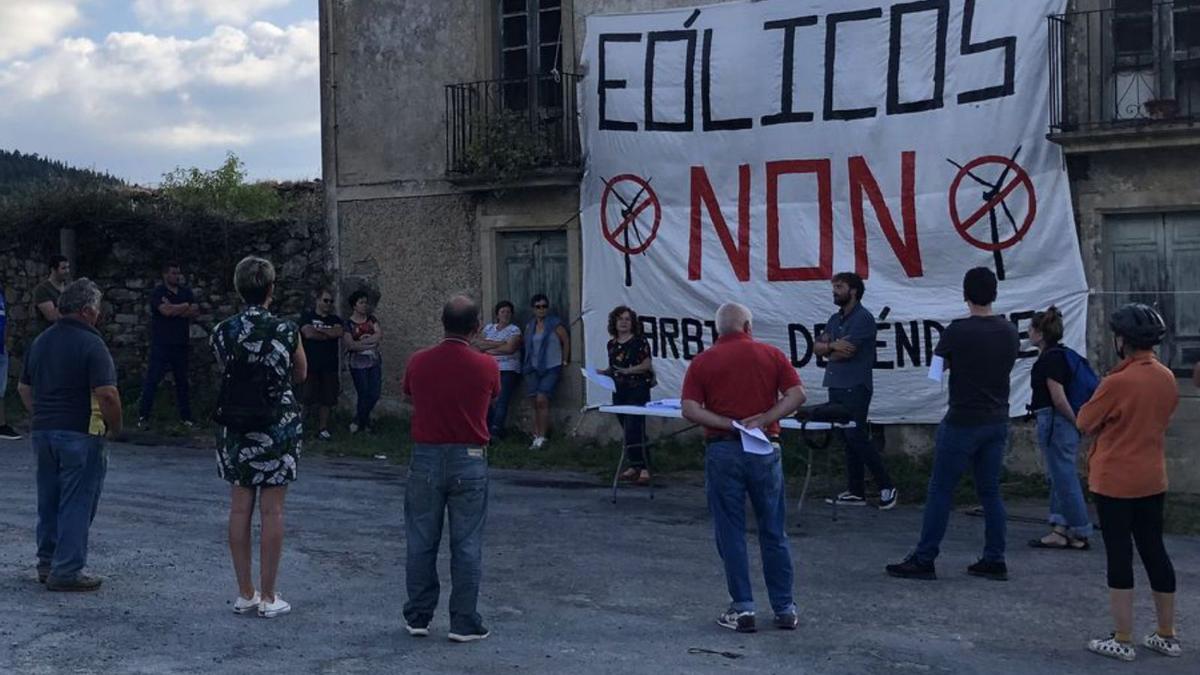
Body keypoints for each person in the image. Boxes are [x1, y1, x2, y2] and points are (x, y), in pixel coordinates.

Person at [886, 267, 1018, 582]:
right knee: (990, 491)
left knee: (941, 490)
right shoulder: (1010, 331)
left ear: (965, 294)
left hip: (962, 419)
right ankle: (994, 558)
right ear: (994, 294)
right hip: (997, 418)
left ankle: (924, 557)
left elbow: (935, 372)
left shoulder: (957, 331)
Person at [681, 302, 806, 633]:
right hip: (765, 446)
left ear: (718, 330)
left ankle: (743, 607)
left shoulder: (703, 361)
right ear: (748, 327)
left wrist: (727, 423)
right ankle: (785, 607)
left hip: (723, 448)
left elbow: (690, 409)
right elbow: (796, 395)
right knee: (773, 529)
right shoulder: (772, 354)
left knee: (731, 530)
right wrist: (764, 419)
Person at [1078, 304, 1181, 661]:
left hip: (1115, 480)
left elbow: (1085, 421)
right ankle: (1166, 633)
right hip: (1152, 477)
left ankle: (1122, 638)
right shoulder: (1166, 376)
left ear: (1123, 341)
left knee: (1119, 554)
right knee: (1154, 550)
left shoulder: (1117, 381)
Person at [211, 256, 307, 619]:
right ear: (270, 288)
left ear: (239, 288)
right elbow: (300, 372)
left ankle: (244, 592)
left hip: (235, 423)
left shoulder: (223, 330)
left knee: (239, 507)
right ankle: (269, 595)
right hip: (276, 423)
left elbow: (228, 369)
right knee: (273, 509)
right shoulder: (286, 330)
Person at [402, 294, 499, 643]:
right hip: (469, 457)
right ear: (475, 328)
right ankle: (463, 620)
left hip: (426, 455)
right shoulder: (486, 365)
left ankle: (418, 615)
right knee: (467, 543)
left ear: (442, 323)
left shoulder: (418, 361)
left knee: (421, 539)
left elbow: (409, 393)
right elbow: (493, 396)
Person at [18, 278, 122, 591]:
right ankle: (67, 570)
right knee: (77, 500)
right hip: (80, 432)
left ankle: (47, 563)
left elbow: (24, 388)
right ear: (88, 311)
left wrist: (41, 416)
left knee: (48, 500)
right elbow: (107, 394)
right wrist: (115, 427)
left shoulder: (42, 341)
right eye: (98, 309)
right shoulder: (92, 343)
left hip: (44, 432)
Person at [815, 272, 897, 509]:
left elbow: (845, 353)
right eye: (834, 286)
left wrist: (828, 350)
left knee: (857, 436)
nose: (834, 291)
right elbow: (817, 347)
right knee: (846, 437)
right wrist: (830, 346)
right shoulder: (834, 318)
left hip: (855, 386)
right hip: (835, 385)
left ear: (853, 291)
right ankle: (856, 491)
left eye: (839, 287)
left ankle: (886, 486)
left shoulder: (863, 319)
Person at [1026, 306, 1092, 550]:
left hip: (1056, 420)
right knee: (1059, 476)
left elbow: (1058, 397)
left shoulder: (1051, 359)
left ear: (1040, 334)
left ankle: (1080, 530)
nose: (1028, 333)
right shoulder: (1061, 354)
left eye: (1031, 329)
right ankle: (1060, 528)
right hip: (1059, 420)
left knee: (1064, 478)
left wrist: (1077, 423)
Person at [138, 262, 199, 430]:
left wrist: (175, 308)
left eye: (178, 273)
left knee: (182, 382)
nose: (176, 276)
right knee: (152, 380)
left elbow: (193, 310)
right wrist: (182, 307)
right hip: (162, 344)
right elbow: (165, 311)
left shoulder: (185, 292)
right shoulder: (158, 293)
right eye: (173, 273)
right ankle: (143, 416)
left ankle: (186, 418)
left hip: (180, 343)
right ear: (165, 275)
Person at [605, 305, 654, 485]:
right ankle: (634, 464)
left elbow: (646, 365)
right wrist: (602, 373)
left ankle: (645, 467)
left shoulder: (640, 341)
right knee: (627, 429)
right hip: (620, 390)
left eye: (627, 319)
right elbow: (613, 367)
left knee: (636, 427)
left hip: (637, 388)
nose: (624, 322)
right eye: (620, 319)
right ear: (614, 322)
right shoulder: (611, 344)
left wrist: (627, 371)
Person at [522, 293, 569, 450]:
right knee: (534, 402)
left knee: (542, 399)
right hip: (533, 367)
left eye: (544, 306)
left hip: (551, 366)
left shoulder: (555, 325)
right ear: (533, 309)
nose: (541, 309)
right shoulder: (530, 326)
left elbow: (566, 341)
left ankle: (543, 436)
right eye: (538, 307)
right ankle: (535, 434)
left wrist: (565, 359)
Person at [299, 288, 344, 441]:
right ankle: (300, 427)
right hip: (310, 365)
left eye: (331, 301)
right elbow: (308, 333)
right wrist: (327, 334)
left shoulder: (335, 320)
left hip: (329, 366)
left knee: (327, 399)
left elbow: (338, 332)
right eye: (325, 300)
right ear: (318, 300)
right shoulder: (307, 316)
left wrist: (320, 333)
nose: (328, 304)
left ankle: (322, 429)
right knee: (306, 398)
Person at [474, 300, 522, 440]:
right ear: (497, 314)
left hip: (507, 369)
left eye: (508, 312)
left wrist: (488, 349)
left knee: (502, 400)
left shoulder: (514, 330)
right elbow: (477, 345)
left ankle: (495, 431)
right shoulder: (489, 328)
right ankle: (486, 428)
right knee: (487, 400)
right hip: (488, 368)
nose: (505, 314)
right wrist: (501, 343)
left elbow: (510, 349)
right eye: (503, 312)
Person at [343, 289, 382, 434]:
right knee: (363, 392)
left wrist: (362, 343)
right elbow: (350, 344)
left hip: (374, 361)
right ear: (354, 306)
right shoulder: (348, 324)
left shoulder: (372, 320)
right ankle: (364, 425)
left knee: (375, 393)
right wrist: (367, 344)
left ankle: (358, 420)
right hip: (357, 364)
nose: (365, 305)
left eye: (366, 302)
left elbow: (378, 336)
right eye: (361, 302)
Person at [0, 282, 22, 440]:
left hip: (1, 349)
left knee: (1, 389)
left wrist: (5, 342)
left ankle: (1, 424)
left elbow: (4, 320)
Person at [32, 255, 70, 334]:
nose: (67, 271)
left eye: (68, 267)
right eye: (63, 268)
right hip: (50, 337)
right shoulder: (42, 290)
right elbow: (52, 316)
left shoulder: (69, 288)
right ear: (53, 270)